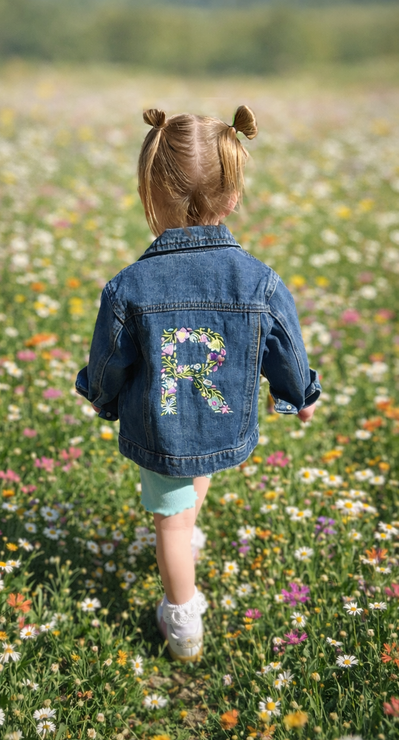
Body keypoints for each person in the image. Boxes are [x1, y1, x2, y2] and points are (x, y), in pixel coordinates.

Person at [76, 105, 321, 663]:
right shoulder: (258, 278)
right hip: (221, 415)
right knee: (194, 482)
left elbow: (110, 357)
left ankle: (182, 620)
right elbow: (286, 346)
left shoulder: (130, 284)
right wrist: (300, 393)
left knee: (170, 518)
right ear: (232, 196)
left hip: (159, 428)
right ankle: (186, 547)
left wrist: (100, 393)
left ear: (151, 195)